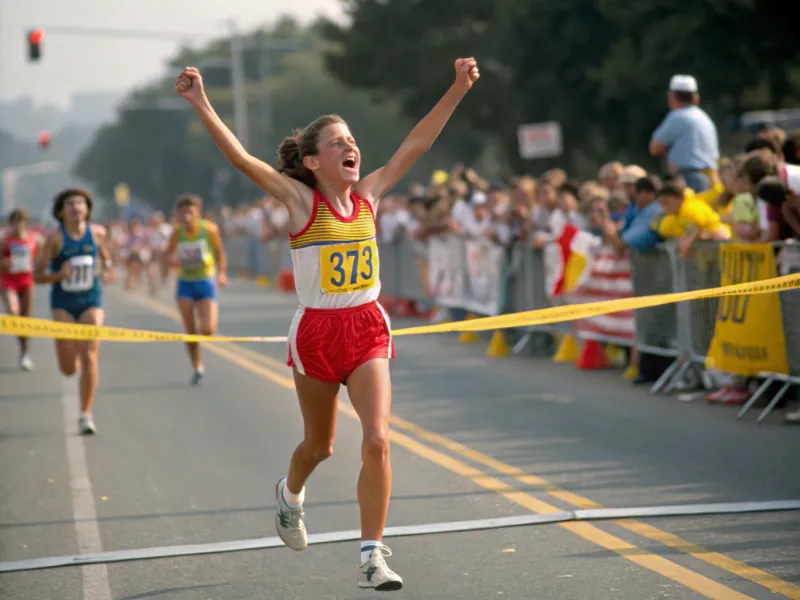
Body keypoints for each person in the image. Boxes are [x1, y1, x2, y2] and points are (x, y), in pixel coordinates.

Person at [176, 57, 480, 590]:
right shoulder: (300, 201)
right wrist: (201, 102)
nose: (350, 147)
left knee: (378, 441)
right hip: (317, 334)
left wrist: (456, 88)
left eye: (352, 140)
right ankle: (290, 497)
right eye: (338, 142)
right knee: (320, 447)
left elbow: (416, 144)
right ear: (313, 162)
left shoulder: (369, 196)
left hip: (367, 327)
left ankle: (371, 556)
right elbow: (243, 159)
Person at [33, 189, 114, 435]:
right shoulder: (54, 239)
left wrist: (108, 267)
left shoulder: (98, 233)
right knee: (68, 368)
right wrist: (59, 275)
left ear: (87, 209)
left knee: (90, 354)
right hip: (63, 304)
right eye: (70, 203)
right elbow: (37, 276)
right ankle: (72, 363)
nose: (76, 207)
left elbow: (105, 256)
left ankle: (85, 414)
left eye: (81, 203)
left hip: (91, 300)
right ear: (61, 212)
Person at [165, 194, 227, 385]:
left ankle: (199, 344)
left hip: (205, 281)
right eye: (182, 211)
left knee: (208, 329)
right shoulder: (177, 232)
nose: (186, 215)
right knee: (190, 330)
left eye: (190, 211)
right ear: (178, 214)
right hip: (185, 282)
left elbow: (219, 252)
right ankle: (197, 365)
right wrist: (172, 262)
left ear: (197, 212)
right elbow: (168, 253)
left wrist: (222, 273)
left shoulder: (208, 229)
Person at [650, 75, 719, 192]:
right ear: (695, 97)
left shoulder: (678, 116)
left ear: (671, 97)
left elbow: (654, 148)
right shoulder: (704, 117)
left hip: (689, 178)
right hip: (712, 177)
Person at [0, 209, 42, 370]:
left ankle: (24, 353)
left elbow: (40, 260)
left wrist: (37, 267)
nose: (19, 225)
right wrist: (5, 264)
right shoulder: (5, 240)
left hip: (27, 281)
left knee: (25, 319)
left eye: (22, 222)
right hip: (9, 281)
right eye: (15, 222)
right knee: (14, 312)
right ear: (11, 223)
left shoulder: (34, 239)